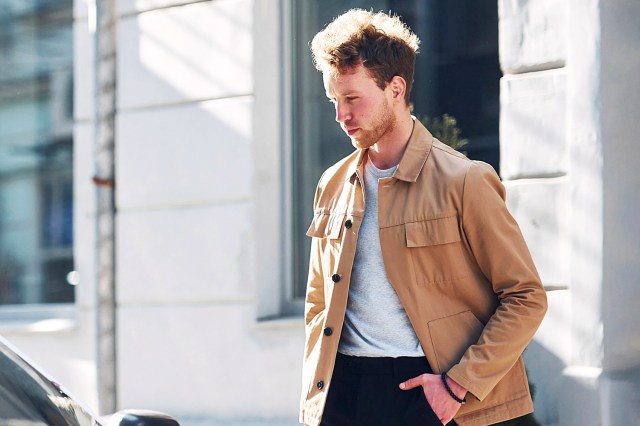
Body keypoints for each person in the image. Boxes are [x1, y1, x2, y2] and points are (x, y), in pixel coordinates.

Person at [299, 9, 548, 426]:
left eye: (352, 98)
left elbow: (526, 298)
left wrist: (457, 386)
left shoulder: (464, 180)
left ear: (395, 88)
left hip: (425, 389)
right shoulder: (332, 183)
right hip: (342, 390)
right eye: (334, 101)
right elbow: (318, 302)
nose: (341, 115)